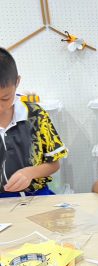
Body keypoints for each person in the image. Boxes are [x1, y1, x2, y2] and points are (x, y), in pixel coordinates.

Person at [0, 48, 68, 197]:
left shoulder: (35, 115)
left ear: (17, 82)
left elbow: (54, 164)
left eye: (5, 98)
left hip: (35, 195)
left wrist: (30, 172)